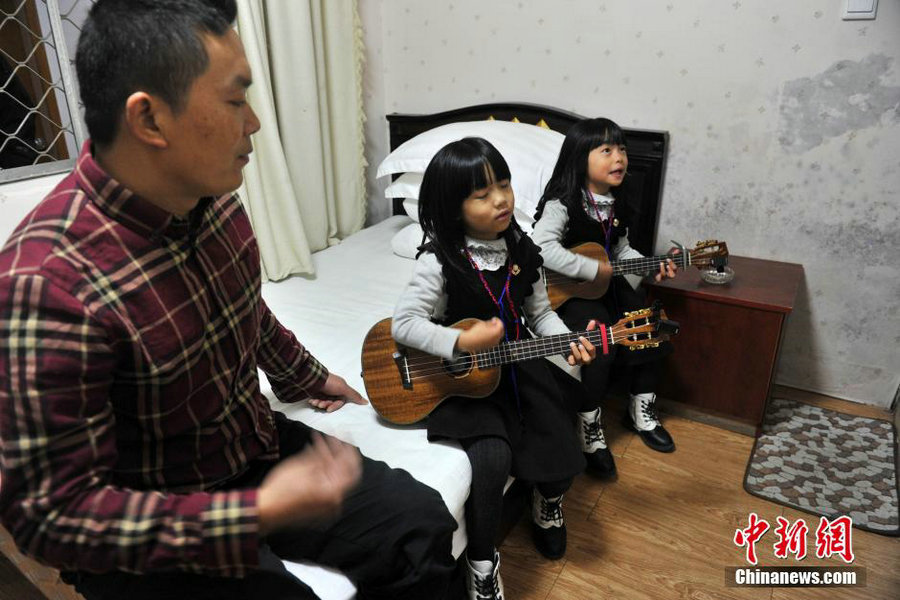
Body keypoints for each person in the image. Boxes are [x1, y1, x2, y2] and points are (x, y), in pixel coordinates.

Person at [0, 2, 457, 599]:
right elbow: (51, 517)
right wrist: (256, 515)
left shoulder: (212, 201)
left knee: (418, 523)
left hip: (248, 448)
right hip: (149, 516)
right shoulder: (46, 285)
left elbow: (245, 312)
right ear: (150, 120)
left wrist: (305, 378)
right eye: (236, 100)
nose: (255, 124)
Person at [391, 137, 597, 600]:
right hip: (463, 381)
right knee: (491, 458)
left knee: (560, 434)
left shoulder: (523, 251)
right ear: (452, 206)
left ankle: (548, 501)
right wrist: (461, 340)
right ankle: (482, 559)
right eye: (482, 194)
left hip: (517, 367)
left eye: (503, 185)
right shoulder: (440, 260)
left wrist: (568, 344)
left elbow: (540, 315)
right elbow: (405, 324)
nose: (501, 199)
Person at [531, 117, 680, 478]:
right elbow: (540, 247)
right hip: (569, 291)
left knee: (649, 324)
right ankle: (589, 425)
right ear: (580, 158)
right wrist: (589, 268)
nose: (619, 158)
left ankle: (641, 409)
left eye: (623, 150)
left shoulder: (616, 202)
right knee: (598, 341)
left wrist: (649, 266)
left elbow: (621, 249)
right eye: (607, 150)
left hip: (606, 285)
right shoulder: (562, 202)